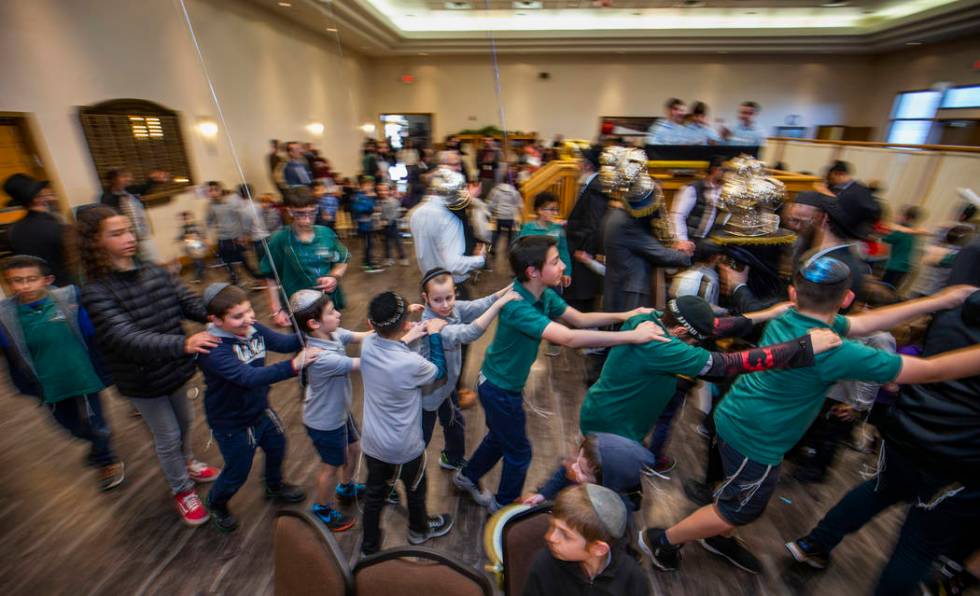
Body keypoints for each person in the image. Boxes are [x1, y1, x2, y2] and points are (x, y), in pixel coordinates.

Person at [639, 256, 978, 575]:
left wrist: (937, 301)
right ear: (846, 298)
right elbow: (931, 370)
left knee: (736, 494)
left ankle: (717, 534)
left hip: (737, 417)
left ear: (793, 292)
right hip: (755, 439)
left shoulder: (791, 314)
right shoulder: (838, 351)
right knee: (738, 508)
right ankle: (663, 540)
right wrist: (938, 304)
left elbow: (863, 324)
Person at [786, 288, 980, 596]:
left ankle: (813, 543)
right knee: (919, 543)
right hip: (960, 456)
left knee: (880, 489)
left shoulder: (956, 309)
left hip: (908, 429)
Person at [453, 235, 668, 512]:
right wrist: (631, 336)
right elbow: (568, 337)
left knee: (499, 437)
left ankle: (467, 476)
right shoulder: (518, 305)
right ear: (533, 271)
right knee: (519, 453)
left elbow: (578, 319)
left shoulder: (542, 293)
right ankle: (504, 508)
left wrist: (626, 316)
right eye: (555, 262)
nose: (563, 266)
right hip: (498, 388)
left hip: (502, 385)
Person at [77, 206, 220, 526]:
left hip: (173, 369)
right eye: (116, 234)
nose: (129, 238)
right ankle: (181, 489)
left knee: (184, 422)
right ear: (95, 243)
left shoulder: (155, 271)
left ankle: (187, 462)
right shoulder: (95, 291)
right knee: (167, 434)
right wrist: (183, 344)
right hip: (140, 378)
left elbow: (187, 302)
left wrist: (218, 312)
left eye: (129, 230)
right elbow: (125, 337)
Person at [195, 283, 315, 531]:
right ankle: (217, 502)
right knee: (237, 471)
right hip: (231, 422)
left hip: (259, 409)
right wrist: (294, 366)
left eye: (249, 311)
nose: (248, 319)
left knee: (277, 446)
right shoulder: (212, 350)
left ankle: (274, 485)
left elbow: (283, 343)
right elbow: (248, 377)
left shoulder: (252, 328)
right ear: (215, 320)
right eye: (237, 316)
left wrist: (311, 328)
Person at [0, 255, 123, 491]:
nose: (24, 286)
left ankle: (107, 460)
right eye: (16, 281)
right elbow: (10, 350)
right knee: (69, 427)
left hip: (82, 378)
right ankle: (98, 444)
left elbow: (92, 332)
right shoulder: (6, 317)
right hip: (48, 385)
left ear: (47, 280)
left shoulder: (68, 301)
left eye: (31, 279)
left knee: (94, 423)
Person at [358, 291, 454, 556]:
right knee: (415, 489)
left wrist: (412, 333)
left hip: (373, 444)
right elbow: (438, 371)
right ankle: (419, 530)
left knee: (374, 495)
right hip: (405, 447)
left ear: (370, 323)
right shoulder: (411, 363)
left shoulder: (367, 347)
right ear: (403, 324)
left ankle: (369, 547)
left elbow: (392, 344)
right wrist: (433, 332)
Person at [418, 269, 519, 470]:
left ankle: (453, 457)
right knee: (418, 441)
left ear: (455, 292)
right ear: (425, 298)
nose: (445, 304)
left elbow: (480, 304)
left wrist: (513, 286)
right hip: (427, 396)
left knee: (455, 422)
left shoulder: (453, 309)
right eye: (437, 300)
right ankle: (393, 481)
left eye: (449, 297)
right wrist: (500, 304)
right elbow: (468, 333)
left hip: (446, 387)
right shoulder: (432, 323)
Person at [290, 290, 370, 531]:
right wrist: (400, 342)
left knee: (354, 449)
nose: (338, 313)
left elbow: (364, 336)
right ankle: (321, 509)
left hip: (339, 412)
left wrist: (396, 323)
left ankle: (345, 488)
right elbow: (364, 363)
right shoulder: (321, 358)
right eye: (331, 311)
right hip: (324, 421)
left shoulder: (334, 333)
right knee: (331, 466)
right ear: (314, 323)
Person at [523, 483, 650, 596]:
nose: (550, 537)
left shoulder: (633, 580)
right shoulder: (544, 565)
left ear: (598, 548)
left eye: (565, 535)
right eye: (552, 526)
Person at [260, 187, 350, 327]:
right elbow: (270, 277)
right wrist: (276, 310)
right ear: (290, 211)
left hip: (329, 306)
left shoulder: (326, 233)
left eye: (312, 212)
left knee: (335, 342)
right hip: (300, 308)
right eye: (300, 214)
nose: (307, 220)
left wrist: (334, 276)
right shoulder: (280, 240)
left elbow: (342, 259)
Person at [602, 184, 692, 313]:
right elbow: (661, 254)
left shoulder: (617, 214)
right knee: (631, 329)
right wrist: (685, 254)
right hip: (630, 289)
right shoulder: (629, 223)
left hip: (620, 284)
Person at [4, 174, 71, 286]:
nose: (51, 198)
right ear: (37, 199)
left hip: (36, 289)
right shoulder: (55, 226)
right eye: (46, 195)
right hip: (66, 288)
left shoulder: (12, 231)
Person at [99, 168, 168, 264]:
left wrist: (153, 179)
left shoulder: (129, 191)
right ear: (113, 180)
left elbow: (144, 187)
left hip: (143, 235)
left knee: (154, 262)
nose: (127, 179)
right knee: (135, 264)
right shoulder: (107, 197)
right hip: (126, 238)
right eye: (123, 176)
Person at [206, 181, 258, 285]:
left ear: (220, 190)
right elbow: (209, 221)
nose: (213, 193)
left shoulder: (231, 202)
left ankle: (255, 278)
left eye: (216, 190)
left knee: (243, 260)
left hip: (236, 237)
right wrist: (206, 237)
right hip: (222, 238)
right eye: (210, 190)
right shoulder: (210, 206)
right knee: (227, 261)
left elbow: (244, 216)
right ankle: (234, 278)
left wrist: (245, 234)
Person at [669, 156, 725, 248]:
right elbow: (678, 216)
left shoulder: (723, 191)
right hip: (690, 239)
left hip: (708, 240)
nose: (727, 174)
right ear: (715, 170)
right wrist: (682, 240)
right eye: (725, 170)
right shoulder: (693, 188)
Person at [518, 192, 572, 287]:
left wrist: (566, 272)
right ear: (540, 210)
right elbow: (519, 253)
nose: (555, 213)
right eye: (551, 209)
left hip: (551, 277)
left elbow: (563, 251)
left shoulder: (558, 229)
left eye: (556, 210)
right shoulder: (527, 229)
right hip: (532, 277)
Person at [882, 205, 926, 289]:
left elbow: (884, 238)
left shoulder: (901, 232)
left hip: (895, 266)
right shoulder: (914, 232)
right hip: (906, 267)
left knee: (884, 289)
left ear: (905, 217)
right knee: (893, 289)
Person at [487, 170, 524, 257]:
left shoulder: (496, 190)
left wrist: (491, 213)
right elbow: (520, 205)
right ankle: (509, 250)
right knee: (511, 234)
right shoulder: (514, 192)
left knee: (496, 233)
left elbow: (491, 203)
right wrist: (522, 217)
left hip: (499, 216)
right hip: (510, 217)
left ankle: (492, 248)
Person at [351, 176, 382, 272]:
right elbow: (358, 209)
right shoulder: (359, 196)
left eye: (371, 185)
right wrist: (372, 208)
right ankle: (367, 264)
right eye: (367, 185)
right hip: (363, 225)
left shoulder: (368, 196)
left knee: (370, 244)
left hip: (369, 223)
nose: (369, 187)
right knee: (367, 245)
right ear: (362, 186)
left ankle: (369, 261)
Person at [377, 181, 407, 267]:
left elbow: (395, 214)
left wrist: (387, 221)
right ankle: (388, 258)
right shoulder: (379, 202)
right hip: (384, 226)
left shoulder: (393, 201)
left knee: (397, 242)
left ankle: (403, 257)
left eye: (384, 190)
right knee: (386, 243)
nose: (382, 192)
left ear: (388, 191)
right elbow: (379, 212)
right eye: (380, 190)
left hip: (392, 225)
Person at [177, 210, 207, 284]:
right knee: (195, 262)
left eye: (188, 218)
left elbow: (202, 234)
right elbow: (181, 237)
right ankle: (200, 274)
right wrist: (180, 238)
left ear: (192, 218)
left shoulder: (196, 226)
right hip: (189, 247)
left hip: (197, 245)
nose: (186, 220)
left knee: (198, 261)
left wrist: (204, 241)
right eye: (184, 219)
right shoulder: (183, 228)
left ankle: (199, 276)